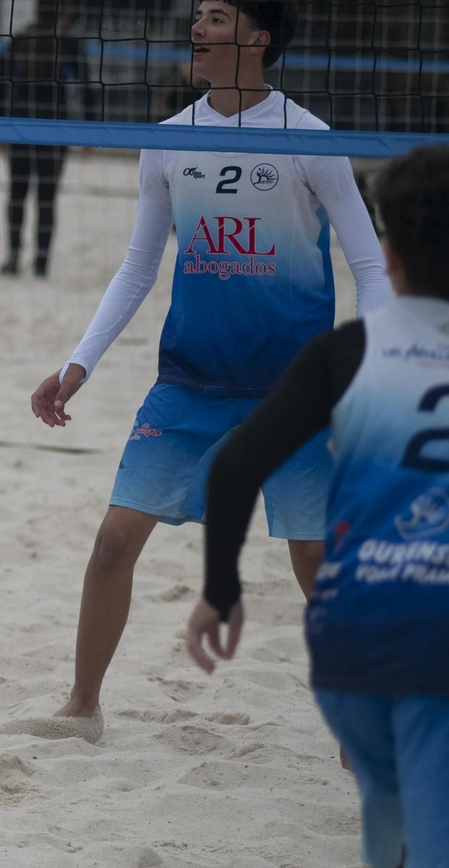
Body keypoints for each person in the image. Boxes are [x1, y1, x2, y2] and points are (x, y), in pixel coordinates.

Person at [24, 0, 391, 741]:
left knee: (318, 568)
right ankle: (82, 707)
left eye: (215, 19)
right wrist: (79, 363)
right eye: (195, 16)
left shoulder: (310, 141)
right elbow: (137, 268)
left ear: (256, 41)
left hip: (294, 394)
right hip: (189, 385)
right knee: (110, 546)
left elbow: (370, 265)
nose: (195, 28)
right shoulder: (167, 137)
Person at [186, 143, 449, 868]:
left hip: (358, 628)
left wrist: (220, 590)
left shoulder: (346, 352)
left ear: (388, 253)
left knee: (391, 795)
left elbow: (237, 465)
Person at [0, 0, 86, 278]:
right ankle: (41, 263)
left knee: (17, 191)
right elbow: (86, 88)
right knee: (47, 196)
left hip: (21, 124)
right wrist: (92, 129)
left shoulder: (21, 39)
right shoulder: (70, 44)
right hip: (55, 125)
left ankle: (13, 257)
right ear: (64, 12)